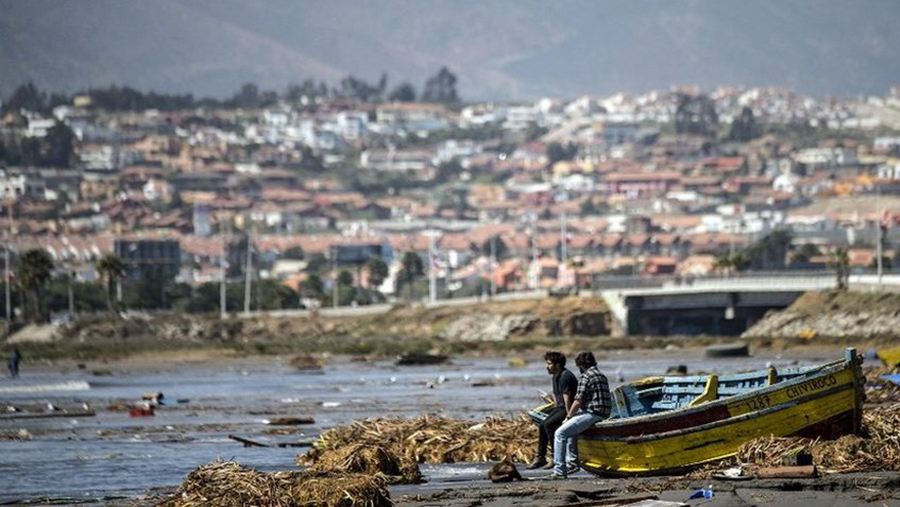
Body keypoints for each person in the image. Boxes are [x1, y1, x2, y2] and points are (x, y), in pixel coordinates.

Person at [551, 351, 611, 478]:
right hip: (604, 413)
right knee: (571, 429)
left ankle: (559, 471)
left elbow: (578, 400)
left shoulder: (586, 376)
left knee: (560, 433)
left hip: (593, 413)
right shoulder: (601, 375)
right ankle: (572, 462)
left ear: (581, 365)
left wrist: (568, 416)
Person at [527, 351, 578, 469]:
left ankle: (556, 457)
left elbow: (567, 398)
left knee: (549, 424)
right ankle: (540, 457)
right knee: (542, 425)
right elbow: (557, 397)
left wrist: (569, 416)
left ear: (558, 365)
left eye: (549, 364)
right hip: (559, 407)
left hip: (568, 408)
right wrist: (554, 411)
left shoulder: (565, 375)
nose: (547, 366)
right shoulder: (556, 376)